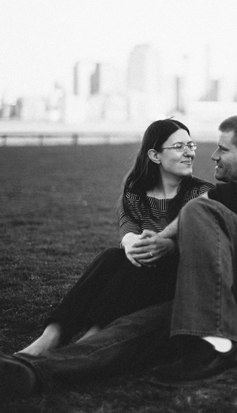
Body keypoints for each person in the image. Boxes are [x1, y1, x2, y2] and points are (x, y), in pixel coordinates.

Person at [0, 114, 237, 395]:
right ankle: (33, 370)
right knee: (136, 327)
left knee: (200, 211)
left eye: (221, 148)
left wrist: (167, 242)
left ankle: (216, 348)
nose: (211, 156)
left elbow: (207, 206)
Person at [17, 119, 213, 357]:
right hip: (141, 275)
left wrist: (164, 246)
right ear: (154, 155)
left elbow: (202, 244)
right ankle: (51, 336)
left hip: (180, 282)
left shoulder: (202, 193)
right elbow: (128, 228)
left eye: (191, 146)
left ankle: (90, 338)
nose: (190, 153)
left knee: (133, 262)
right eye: (179, 147)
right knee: (115, 257)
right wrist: (131, 243)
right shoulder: (136, 191)